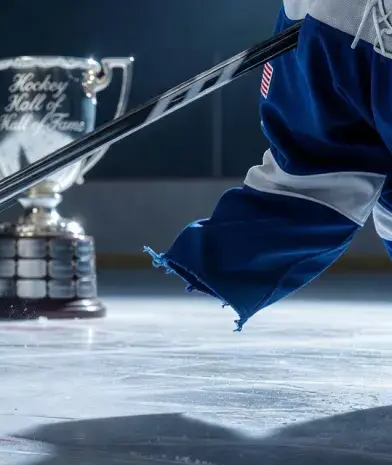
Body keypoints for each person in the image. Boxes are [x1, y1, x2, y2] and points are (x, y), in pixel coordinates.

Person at [146, 0, 392, 330]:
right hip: (330, 23)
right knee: (313, 168)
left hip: (319, 18)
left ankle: (225, 256)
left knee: (312, 167)